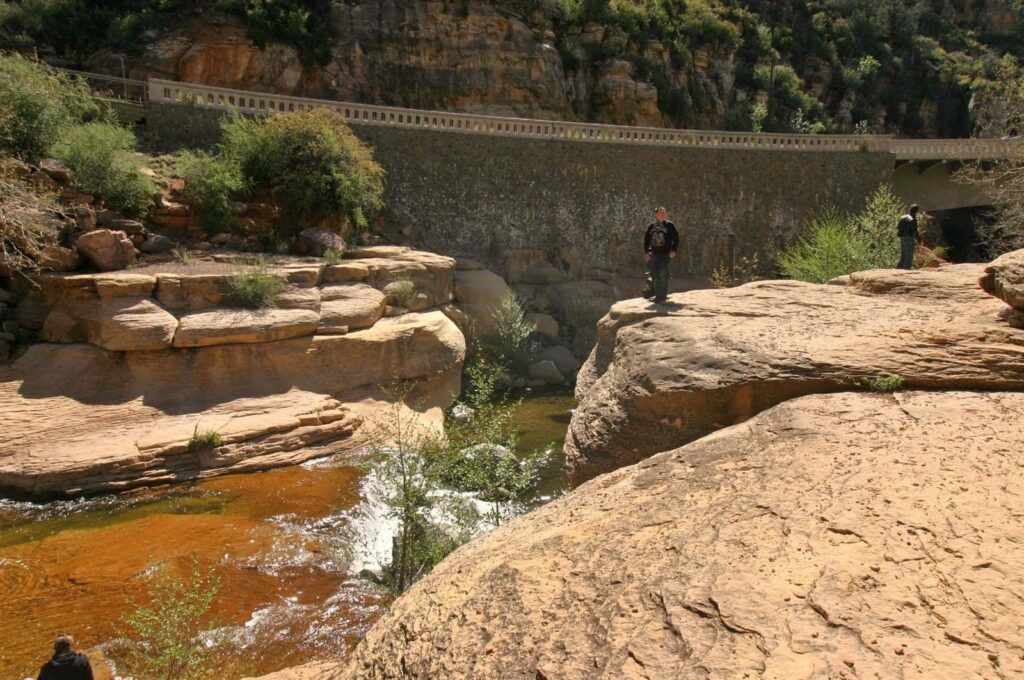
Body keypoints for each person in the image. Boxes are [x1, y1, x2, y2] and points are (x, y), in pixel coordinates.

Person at [643, 206, 679, 303]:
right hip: (654, 254)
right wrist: (646, 252)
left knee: (663, 274)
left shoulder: (669, 225)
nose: (664, 214)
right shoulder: (652, 226)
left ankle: (661, 297)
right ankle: (657, 295)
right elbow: (646, 239)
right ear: (656, 214)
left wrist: (673, 250)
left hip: (665, 254)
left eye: (664, 212)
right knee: (655, 275)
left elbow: (676, 238)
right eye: (661, 213)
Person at [896, 204, 922, 270]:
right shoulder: (913, 219)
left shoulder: (903, 217)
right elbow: (915, 231)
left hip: (902, 238)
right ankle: (906, 271)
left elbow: (898, 228)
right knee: (909, 257)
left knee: (903, 256)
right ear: (916, 211)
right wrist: (919, 240)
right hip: (909, 238)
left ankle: (898, 270)